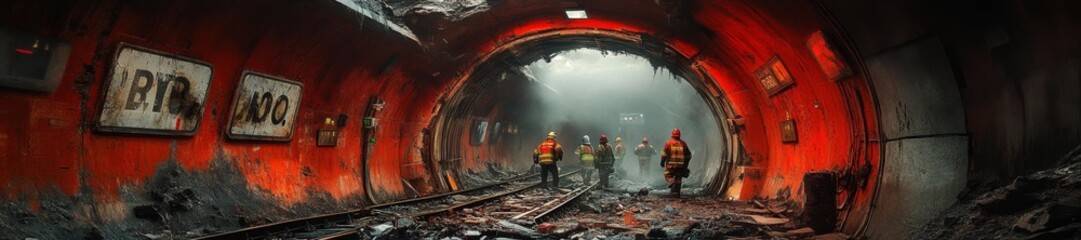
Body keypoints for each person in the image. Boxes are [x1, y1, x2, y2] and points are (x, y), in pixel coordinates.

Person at [661, 128, 691, 198]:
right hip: (680, 166)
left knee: (667, 175)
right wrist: (685, 165)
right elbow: (688, 155)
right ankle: (677, 194)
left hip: (671, 165)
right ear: (679, 135)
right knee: (678, 178)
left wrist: (662, 161)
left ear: (672, 135)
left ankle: (671, 182)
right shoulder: (683, 144)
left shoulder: (669, 143)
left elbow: (664, 154)